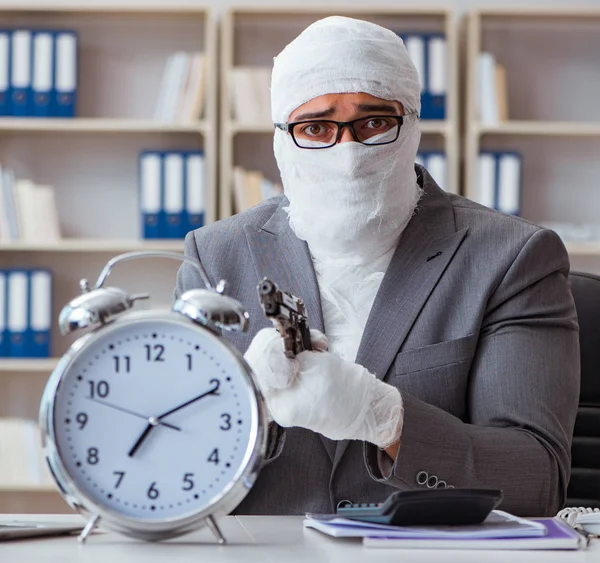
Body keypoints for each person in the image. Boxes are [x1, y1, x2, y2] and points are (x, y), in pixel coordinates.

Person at [175, 16, 580, 517]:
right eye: (317, 126)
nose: (347, 154)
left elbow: (536, 482)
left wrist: (386, 420)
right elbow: (174, 467)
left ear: (410, 124)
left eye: (373, 122)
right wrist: (239, 407)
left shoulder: (510, 257)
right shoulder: (216, 255)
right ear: (283, 136)